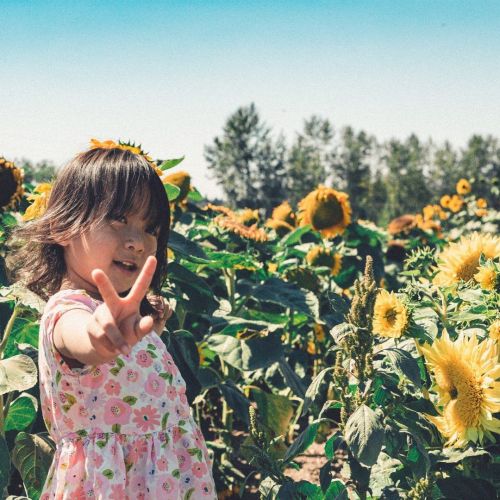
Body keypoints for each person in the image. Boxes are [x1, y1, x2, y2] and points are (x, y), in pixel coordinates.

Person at [9, 142, 216, 499]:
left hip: (167, 478)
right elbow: (82, 339)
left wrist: (151, 328)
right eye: (118, 218)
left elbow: (133, 369)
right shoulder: (68, 312)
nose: (137, 241)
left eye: (151, 228)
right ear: (63, 227)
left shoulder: (123, 318)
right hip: (111, 485)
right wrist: (99, 336)